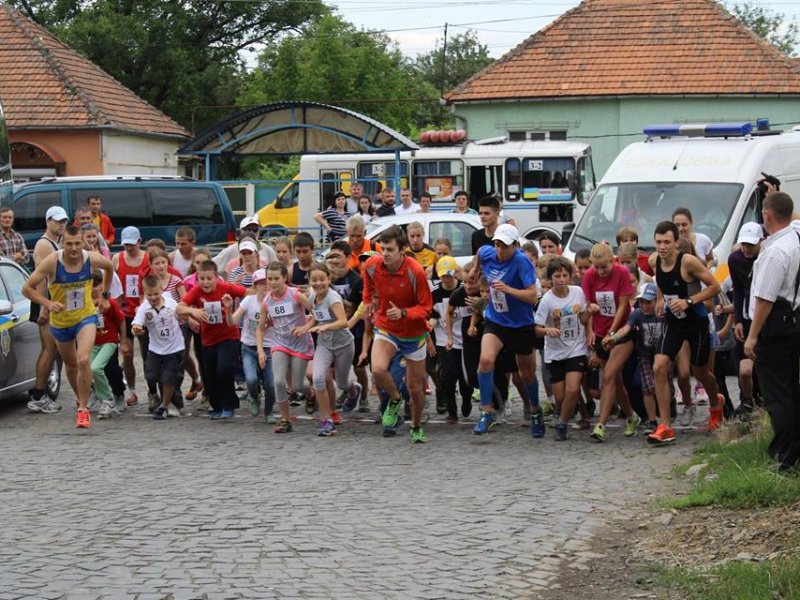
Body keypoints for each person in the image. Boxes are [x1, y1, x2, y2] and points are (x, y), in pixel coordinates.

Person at [22, 225, 113, 428]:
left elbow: (109, 267)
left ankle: (83, 409)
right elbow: (27, 288)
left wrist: (105, 295)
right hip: (61, 322)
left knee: (83, 360)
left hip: (85, 318)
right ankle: (81, 396)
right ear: (63, 243)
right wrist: (47, 304)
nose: (73, 248)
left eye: (77, 244)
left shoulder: (91, 258)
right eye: (69, 244)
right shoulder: (53, 261)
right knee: (71, 366)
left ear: (83, 243)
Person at [649, 221, 723, 446]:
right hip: (673, 322)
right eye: (659, 242)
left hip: (696, 322)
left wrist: (689, 301)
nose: (662, 247)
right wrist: (661, 299)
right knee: (659, 367)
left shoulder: (688, 262)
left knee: (700, 373)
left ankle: (715, 403)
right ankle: (665, 425)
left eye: (667, 242)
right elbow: (662, 283)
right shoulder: (654, 261)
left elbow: (714, 287)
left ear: (677, 242)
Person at [469, 224, 543, 437]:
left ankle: (535, 410)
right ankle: (487, 411)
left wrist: (508, 289)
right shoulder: (488, 252)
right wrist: (475, 271)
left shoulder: (522, 263)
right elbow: (480, 255)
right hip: (496, 320)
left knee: (526, 373)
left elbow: (532, 296)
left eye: (505, 247)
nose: (500, 251)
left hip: (521, 324)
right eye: (498, 244)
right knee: (485, 360)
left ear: (516, 246)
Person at [744, 192, 800, 471]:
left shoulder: (777, 251)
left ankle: (785, 455)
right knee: (789, 389)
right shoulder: (794, 238)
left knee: (777, 394)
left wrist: (753, 335)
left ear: (767, 215)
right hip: (790, 319)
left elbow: (765, 298)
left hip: (774, 323)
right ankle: (792, 449)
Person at [362, 225, 433, 443]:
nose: (385, 254)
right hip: (387, 327)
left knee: (415, 388)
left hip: (414, 334)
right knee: (378, 370)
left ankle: (416, 425)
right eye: (382, 248)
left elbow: (426, 308)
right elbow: (367, 283)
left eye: (390, 249)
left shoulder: (416, 271)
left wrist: (403, 313)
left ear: (403, 249)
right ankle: (394, 399)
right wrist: (367, 302)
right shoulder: (373, 265)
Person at [582, 243, 640, 442]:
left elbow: (624, 304)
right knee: (615, 381)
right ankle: (632, 417)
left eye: (603, 267)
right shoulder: (589, 276)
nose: (599, 271)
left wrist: (613, 332)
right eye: (596, 267)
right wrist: (591, 328)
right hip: (600, 333)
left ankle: (601, 424)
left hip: (622, 332)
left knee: (607, 376)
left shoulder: (622, 272)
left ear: (612, 261)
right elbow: (588, 306)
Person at [178, 260, 248, 419]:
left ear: (217, 278)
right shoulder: (196, 291)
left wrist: (244, 309)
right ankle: (216, 406)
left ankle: (229, 404)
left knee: (223, 369)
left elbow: (248, 293)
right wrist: (193, 312)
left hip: (228, 336)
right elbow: (179, 307)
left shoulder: (226, 289)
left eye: (209, 278)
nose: (205, 282)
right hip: (208, 339)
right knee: (209, 374)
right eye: (201, 278)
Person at [298, 262, 362, 435]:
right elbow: (316, 318)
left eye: (321, 280)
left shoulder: (333, 298)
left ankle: (353, 389)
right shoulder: (312, 297)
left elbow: (343, 322)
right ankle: (326, 420)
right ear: (309, 281)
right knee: (318, 378)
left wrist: (326, 327)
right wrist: (304, 328)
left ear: (328, 279)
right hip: (325, 345)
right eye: (314, 280)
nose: (318, 283)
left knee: (341, 383)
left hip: (344, 344)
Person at [534, 256, 591, 441]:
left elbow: (583, 318)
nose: (561, 280)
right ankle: (566, 415)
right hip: (555, 352)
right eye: (557, 276)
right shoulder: (546, 301)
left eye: (564, 275)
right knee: (560, 397)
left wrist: (590, 316)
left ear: (570, 276)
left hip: (576, 348)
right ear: (551, 279)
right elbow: (535, 329)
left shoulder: (578, 292)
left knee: (573, 390)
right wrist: (547, 330)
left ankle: (562, 424)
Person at [255, 261, 314, 433]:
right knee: (279, 381)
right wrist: (260, 351)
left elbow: (315, 313)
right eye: (269, 279)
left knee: (297, 385)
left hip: (300, 343)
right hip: (279, 343)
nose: (272, 283)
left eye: (276, 279)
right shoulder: (266, 302)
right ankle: (285, 419)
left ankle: (310, 394)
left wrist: (305, 327)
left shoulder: (295, 295)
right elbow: (260, 329)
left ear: (284, 278)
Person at [26, 206, 67, 414]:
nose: (62, 224)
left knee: (53, 351)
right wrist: (43, 307)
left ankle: (41, 393)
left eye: (64, 221)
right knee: (49, 349)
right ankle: (38, 395)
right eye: (58, 221)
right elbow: (42, 277)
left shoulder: (55, 243)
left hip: (53, 300)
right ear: (48, 221)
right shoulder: (44, 244)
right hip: (46, 301)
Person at [609, 282, 662, 431]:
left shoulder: (662, 313)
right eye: (642, 302)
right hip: (644, 355)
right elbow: (627, 328)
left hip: (661, 354)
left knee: (664, 386)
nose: (644, 306)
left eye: (648, 302)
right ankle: (652, 421)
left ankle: (664, 414)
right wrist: (614, 338)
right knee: (647, 388)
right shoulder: (637, 314)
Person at [132, 275, 185, 420]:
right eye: (149, 294)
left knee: (168, 378)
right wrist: (137, 329)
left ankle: (164, 406)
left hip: (174, 347)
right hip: (155, 348)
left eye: (156, 294)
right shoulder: (144, 307)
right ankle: (166, 396)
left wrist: (188, 318)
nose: (153, 297)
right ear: (145, 293)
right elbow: (136, 323)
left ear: (161, 290)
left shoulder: (171, 303)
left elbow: (182, 315)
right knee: (151, 376)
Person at [325, 241, 368, 412]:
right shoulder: (327, 278)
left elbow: (353, 307)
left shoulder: (355, 279)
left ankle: (363, 396)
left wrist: (344, 321)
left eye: (338, 257)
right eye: (331, 256)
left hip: (353, 328)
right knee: (335, 367)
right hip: (334, 329)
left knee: (359, 366)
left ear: (348, 258)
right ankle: (346, 390)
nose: (334, 261)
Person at [231, 268, 276, 422]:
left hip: (270, 347)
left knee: (270, 384)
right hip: (249, 346)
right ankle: (254, 397)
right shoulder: (249, 301)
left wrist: (274, 324)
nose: (265, 286)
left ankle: (269, 412)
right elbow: (233, 321)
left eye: (267, 282)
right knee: (250, 379)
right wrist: (226, 308)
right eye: (261, 283)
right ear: (255, 286)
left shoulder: (276, 302)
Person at [113, 226, 151, 407]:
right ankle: (133, 391)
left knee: (147, 354)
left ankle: (152, 391)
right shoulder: (117, 259)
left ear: (139, 242)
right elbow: (111, 283)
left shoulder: (148, 259)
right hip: (125, 314)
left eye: (132, 244)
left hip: (144, 313)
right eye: (125, 244)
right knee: (126, 354)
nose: (128, 248)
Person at [729, 222, 763, 416]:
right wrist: (738, 320)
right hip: (746, 315)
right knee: (744, 370)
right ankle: (746, 402)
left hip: (765, 316)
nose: (747, 249)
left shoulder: (766, 257)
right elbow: (738, 290)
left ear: (760, 242)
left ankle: (761, 401)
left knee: (762, 365)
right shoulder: (735, 259)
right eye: (744, 244)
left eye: (751, 245)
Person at [436, 256, 474, 422]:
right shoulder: (435, 294)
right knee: (449, 375)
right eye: (444, 276)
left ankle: (467, 399)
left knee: (465, 377)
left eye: (450, 276)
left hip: (465, 340)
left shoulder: (465, 289)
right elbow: (431, 313)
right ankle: (452, 411)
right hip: (444, 340)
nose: (447, 280)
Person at [90, 272, 126, 420]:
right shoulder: (85, 303)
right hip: (92, 342)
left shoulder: (110, 302)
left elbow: (121, 320)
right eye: (90, 285)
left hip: (109, 340)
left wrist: (123, 341)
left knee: (107, 369)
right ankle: (100, 396)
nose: (93, 289)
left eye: (96, 285)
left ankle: (113, 396)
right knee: (88, 369)